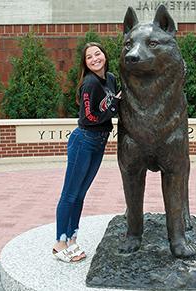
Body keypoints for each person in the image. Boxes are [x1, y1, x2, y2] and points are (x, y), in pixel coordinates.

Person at [52, 42, 121, 262]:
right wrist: (112, 108)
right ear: (85, 63)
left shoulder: (110, 78)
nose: (94, 59)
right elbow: (89, 116)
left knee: (80, 195)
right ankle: (59, 243)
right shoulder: (89, 83)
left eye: (97, 54)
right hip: (84, 141)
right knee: (69, 194)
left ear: (104, 56)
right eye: (89, 57)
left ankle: (72, 239)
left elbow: (116, 106)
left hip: (100, 143)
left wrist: (116, 105)